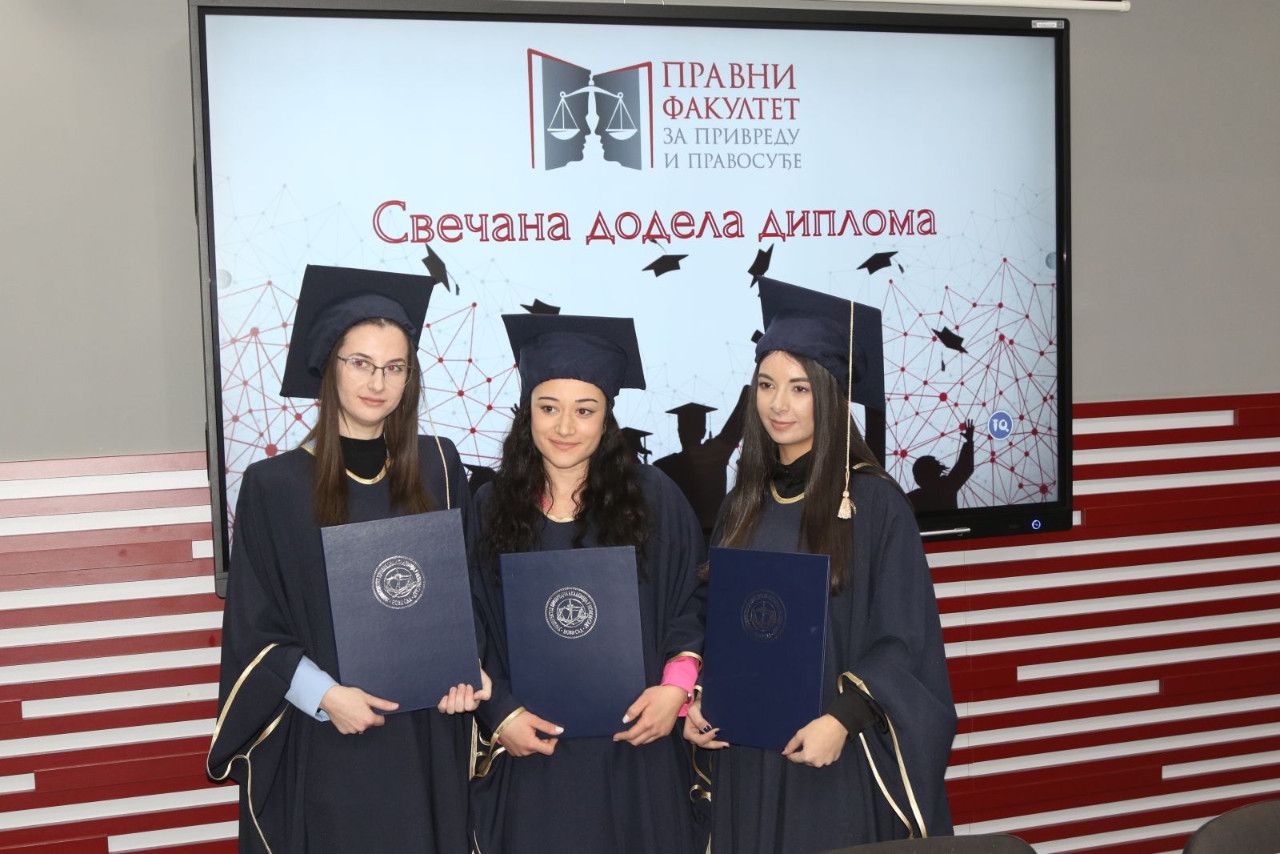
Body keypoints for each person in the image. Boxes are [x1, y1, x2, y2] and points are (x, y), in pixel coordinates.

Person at [208, 265, 486, 854]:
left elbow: (471, 593)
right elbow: (254, 627)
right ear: (328, 366)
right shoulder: (275, 487)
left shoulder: (439, 467)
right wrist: (326, 697)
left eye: (395, 367)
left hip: (428, 736)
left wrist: (469, 672)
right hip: (332, 742)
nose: (377, 382)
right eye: (360, 362)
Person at [685, 277, 956, 852]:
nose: (778, 405)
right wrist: (700, 699)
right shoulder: (742, 503)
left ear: (830, 395)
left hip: (832, 757)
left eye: (799, 388)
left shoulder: (875, 503)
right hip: (748, 753)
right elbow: (719, 622)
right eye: (766, 385)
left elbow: (904, 637)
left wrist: (843, 718)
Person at [469, 313, 704, 854]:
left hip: (636, 750)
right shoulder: (489, 508)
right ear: (527, 412)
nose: (565, 428)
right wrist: (500, 713)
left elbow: (692, 601)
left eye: (585, 410)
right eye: (548, 407)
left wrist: (675, 690)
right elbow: (468, 622)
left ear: (607, 417)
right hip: (533, 753)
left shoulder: (653, 499)